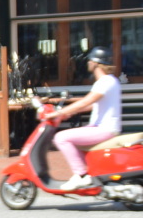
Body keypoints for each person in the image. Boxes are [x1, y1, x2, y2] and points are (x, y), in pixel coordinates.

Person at [49, 46, 122, 191]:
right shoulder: (109, 81)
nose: (88, 63)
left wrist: (58, 113)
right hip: (102, 128)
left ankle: (81, 175)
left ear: (95, 63)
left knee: (61, 138)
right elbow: (92, 106)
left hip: (104, 129)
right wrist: (68, 113)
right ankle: (90, 175)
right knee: (74, 140)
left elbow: (86, 101)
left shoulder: (105, 82)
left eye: (89, 60)